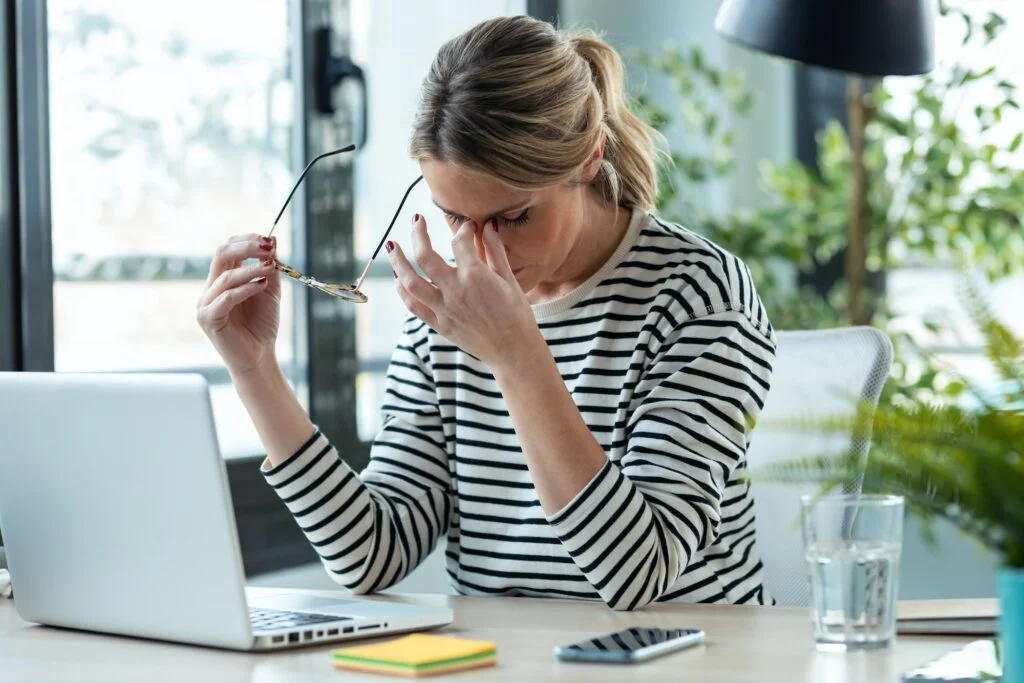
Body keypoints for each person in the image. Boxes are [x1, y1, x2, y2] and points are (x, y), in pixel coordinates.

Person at [197, 15, 775, 611]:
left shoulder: (698, 295)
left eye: (514, 217)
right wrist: (256, 372)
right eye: (454, 218)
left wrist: (515, 353)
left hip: (684, 659)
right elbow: (370, 554)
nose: (480, 251)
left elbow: (638, 571)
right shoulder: (449, 311)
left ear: (588, 158)